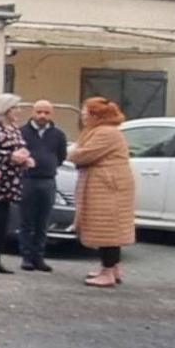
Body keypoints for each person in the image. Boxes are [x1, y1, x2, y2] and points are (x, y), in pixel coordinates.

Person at [70, 96, 136, 288]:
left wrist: (72, 152)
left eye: (85, 112)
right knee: (108, 227)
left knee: (107, 228)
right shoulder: (102, 131)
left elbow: (84, 154)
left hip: (106, 186)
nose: (82, 115)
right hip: (107, 185)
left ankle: (108, 272)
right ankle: (111, 268)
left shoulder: (105, 133)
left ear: (95, 115)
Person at [0, 93, 35, 275]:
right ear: (6, 109)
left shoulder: (13, 127)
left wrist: (25, 158)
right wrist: (9, 156)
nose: (19, 112)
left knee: (1, 224)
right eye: (16, 108)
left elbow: (18, 147)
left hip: (8, 184)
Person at [18, 99, 67, 271]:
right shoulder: (21, 132)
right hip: (27, 180)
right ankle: (26, 258)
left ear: (51, 114)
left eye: (46, 112)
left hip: (47, 181)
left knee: (43, 222)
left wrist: (50, 165)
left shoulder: (58, 135)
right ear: (33, 112)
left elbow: (61, 156)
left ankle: (39, 257)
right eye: (39, 112)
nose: (42, 116)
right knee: (26, 221)